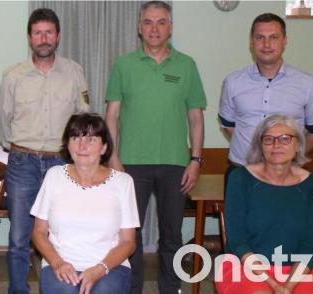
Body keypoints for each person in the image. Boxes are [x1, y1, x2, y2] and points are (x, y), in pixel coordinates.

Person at [104, 1, 206, 293]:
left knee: (172, 236)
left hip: (175, 165)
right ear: (139, 28)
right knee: (129, 236)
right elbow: (112, 115)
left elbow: (196, 118)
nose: (154, 28)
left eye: (161, 22)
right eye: (148, 22)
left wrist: (195, 159)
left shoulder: (186, 65)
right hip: (131, 165)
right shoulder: (124, 65)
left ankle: (171, 288)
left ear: (170, 27)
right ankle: (130, 289)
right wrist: (113, 158)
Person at [0, 8, 91, 294]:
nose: (44, 38)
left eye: (49, 32)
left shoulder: (74, 72)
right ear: (30, 37)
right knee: (19, 237)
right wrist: (18, 148)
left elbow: (83, 117)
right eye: (38, 32)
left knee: (65, 233)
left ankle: (62, 287)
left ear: (58, 36)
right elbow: (3, 122)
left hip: (62, 165)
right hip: (23, 162)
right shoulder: (13, 75)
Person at [31, 113, 138, 294]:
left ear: (104, 147)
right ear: (68, 145)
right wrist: (58, 263)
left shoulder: (123, 182)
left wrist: (99, 269)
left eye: (91, 139)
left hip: (109, 266)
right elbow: (38, 232)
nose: (82, 146)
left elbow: (128, 242)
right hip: (60, 262)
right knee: (65, 290)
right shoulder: (54, 176)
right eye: (75, 138)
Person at [217, 114, 313, 293]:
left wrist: (288, 286)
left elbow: (311, 245)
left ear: (297, 144)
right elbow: (238, 241)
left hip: (297, 270)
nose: (276, 145)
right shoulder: (240, 179)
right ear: (260, 146)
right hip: (245, 267)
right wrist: (274, 286)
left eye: (285, 138)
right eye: (268, 139)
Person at [219, 13, 313, 174]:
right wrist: (253, 152)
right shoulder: (233, 82)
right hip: (242, 171)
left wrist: (291, 156)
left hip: (287, 174)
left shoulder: (308, 84)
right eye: (259, 37)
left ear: (284, 41)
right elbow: (228, 125)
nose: (266, 44)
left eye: (273, 37)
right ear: (251, 42)